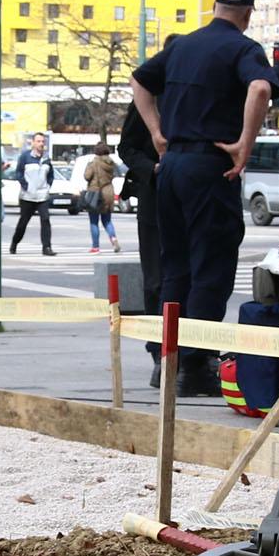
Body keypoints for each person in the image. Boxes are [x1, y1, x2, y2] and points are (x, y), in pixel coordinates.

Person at [127, 0, 276, 396]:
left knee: (175, 268)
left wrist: (157, 132)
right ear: (246, 13)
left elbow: (140, 81)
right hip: (211, 167)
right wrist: (245, 143)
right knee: (211, 268)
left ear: (214, 7)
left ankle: (166, 361)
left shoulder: (182, 45)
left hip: (171, 167)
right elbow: (261, 87)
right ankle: (195, 366)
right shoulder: (244, 49)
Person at [117, 96, 165, 385]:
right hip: (155, 195)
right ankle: (159, 353)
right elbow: (127, 147)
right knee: (156, 280)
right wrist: (153, 168)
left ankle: (195, 354)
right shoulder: (149, 99)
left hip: (193, 194)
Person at [9, 132, 56, 255]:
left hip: (42, 196)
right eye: (39, 141)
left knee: (45, 220)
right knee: (23, 222)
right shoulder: (25, 157)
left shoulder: (46, 159)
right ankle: (14, 243)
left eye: (42, 142)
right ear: (33, 143)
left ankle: (47, 247)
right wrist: (25, 185)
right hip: (28, 196)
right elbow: (18, 173)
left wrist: (48, 186)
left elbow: (51, 175)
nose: (41, 144)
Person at [82, 139, 121, 254]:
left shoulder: (94, 163)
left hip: (96, 192)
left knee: (94, 221)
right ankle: (113, 238)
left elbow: (87, 176)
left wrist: (89, 166)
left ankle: (95, 246)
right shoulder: (111, 163)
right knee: (107, 220)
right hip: (109, 192)